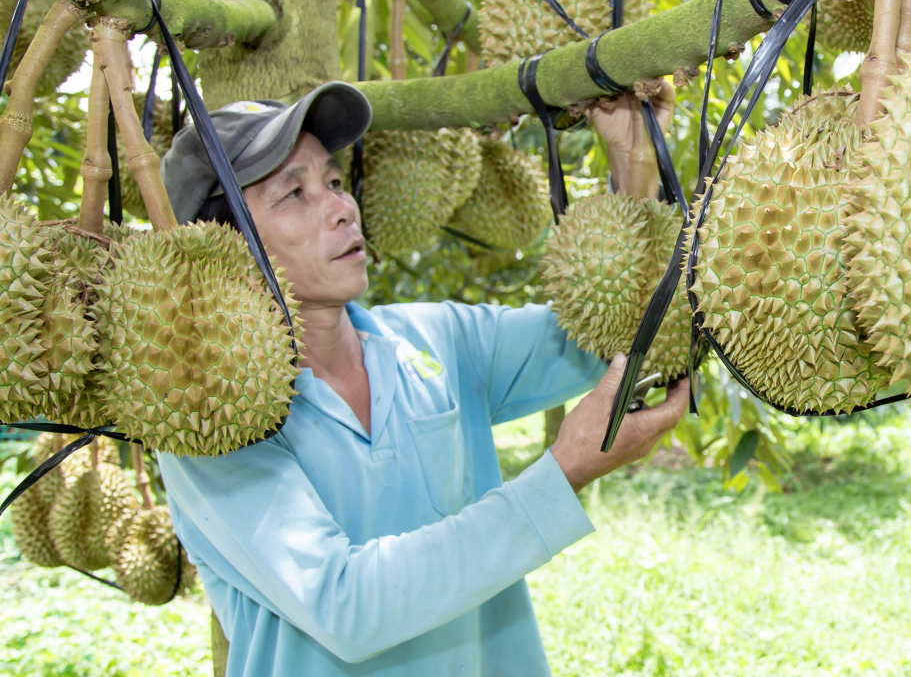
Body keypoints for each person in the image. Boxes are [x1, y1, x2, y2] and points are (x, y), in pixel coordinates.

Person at [157, 81, 690, 676]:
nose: (342, 207)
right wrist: (564, 472)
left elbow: (600, 327)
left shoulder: (435, 339)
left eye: (334, 182)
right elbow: (345, 606)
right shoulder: (206, 421)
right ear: (223, 244)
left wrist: (633, 157)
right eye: (294, 194)